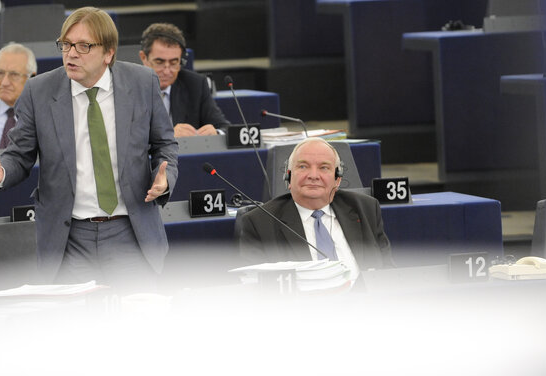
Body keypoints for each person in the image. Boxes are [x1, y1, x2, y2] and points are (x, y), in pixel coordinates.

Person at [0, 7, 178, 288]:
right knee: (73, 328)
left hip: (130, 233)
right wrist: (1, 173)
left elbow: (165, 144)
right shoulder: (39, 91)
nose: (71, 53)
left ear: (108, 53)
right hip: (69, 241)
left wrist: (164, 178)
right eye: (66, 44)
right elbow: (19, 155)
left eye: (84, 46)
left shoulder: (142, 82)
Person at [237, 138, 394, 280]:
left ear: (337, 180)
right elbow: (256, 288)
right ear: (288, 177)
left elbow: (389, 275)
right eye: (303, 166)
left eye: (324, 168)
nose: (313, 175)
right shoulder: (260, 223)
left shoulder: (365, 209)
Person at [139, 22, 230, 137]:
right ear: (144, 58)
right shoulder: (126, 88)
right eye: (159, 62)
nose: (167, 71)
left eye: (174, 63)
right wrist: (168, 135)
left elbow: (225, 128)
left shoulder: (195, 85)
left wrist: (216, 133)